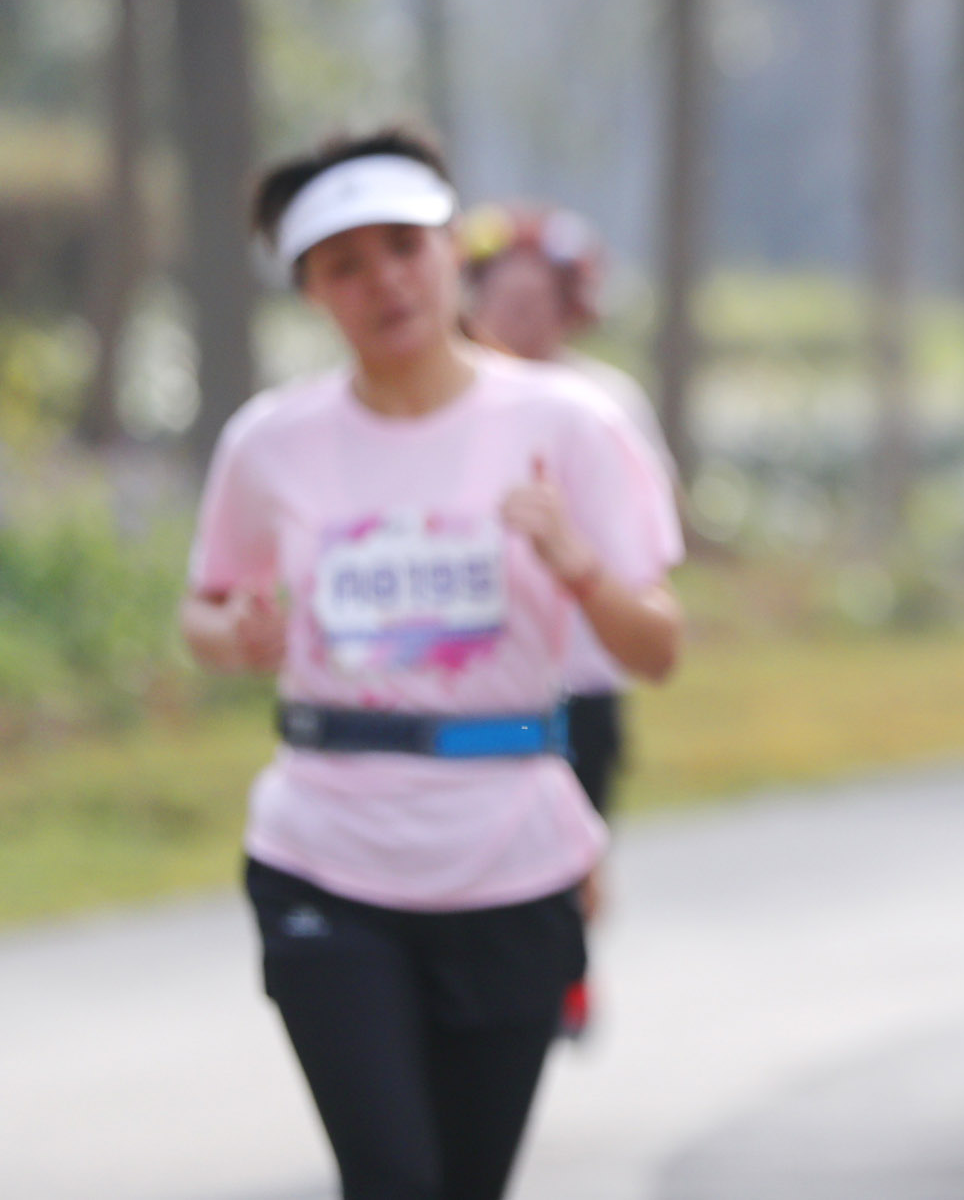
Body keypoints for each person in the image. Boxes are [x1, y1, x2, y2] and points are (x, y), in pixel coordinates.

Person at [182, 128, 684, 1200]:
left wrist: (579, 564)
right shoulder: (270, 442)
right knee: (393, 1178)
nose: (383, 283)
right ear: (313, 292)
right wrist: (238, 637)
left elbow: (659, 647)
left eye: (403, 247)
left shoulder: (571, 421)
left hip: (512, 853)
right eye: (344, 264)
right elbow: (206, 606)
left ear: (456, 249)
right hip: (324, 851)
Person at [461, 201, 679, 1035]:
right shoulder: (441, 408)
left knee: (576, 838)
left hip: (581, 675)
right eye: (505, 299)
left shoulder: (601, 402)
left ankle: (564, 966)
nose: (523, 317)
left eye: (540, 301)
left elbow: (651, 536)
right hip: (479, 678)